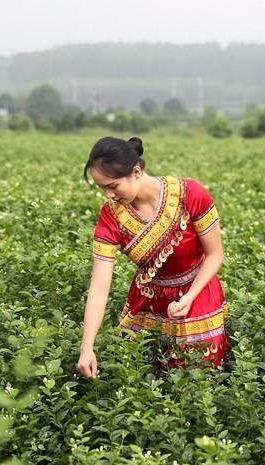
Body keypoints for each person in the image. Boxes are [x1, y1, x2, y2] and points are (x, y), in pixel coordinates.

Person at [77, 136, 229, 379]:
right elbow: (99, 285)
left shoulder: (191, 194)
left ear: (136, 172)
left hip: (198, 293)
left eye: (113, 186)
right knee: (138, 373)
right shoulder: (111, 217)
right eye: (102, 188)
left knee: (196, 381)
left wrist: (189, 297)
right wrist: (86, 348)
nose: (108, 195)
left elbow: (214, 255)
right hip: (149, 300)